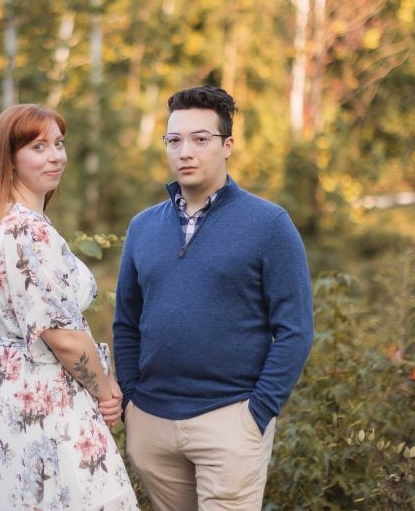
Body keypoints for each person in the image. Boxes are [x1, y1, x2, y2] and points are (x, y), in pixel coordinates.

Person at [113, 85, 314, 510]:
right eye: (174, 140)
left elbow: (295, 330)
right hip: (151, 422)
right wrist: (131, 400)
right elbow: (126, 323)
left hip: (229, 419)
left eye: (200, 139)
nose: (185, 151)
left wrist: (258, 412)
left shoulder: (269, 225)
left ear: (227, 146)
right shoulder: (142, 227)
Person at [0, 103, 138, 511]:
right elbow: (63, 339)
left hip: (8, 388)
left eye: (59, 143)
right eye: (38, 147)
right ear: (10, 158)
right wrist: (106, 391)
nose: (56, 156)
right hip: (45, 397)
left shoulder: (0, 220)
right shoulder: (27, 230)